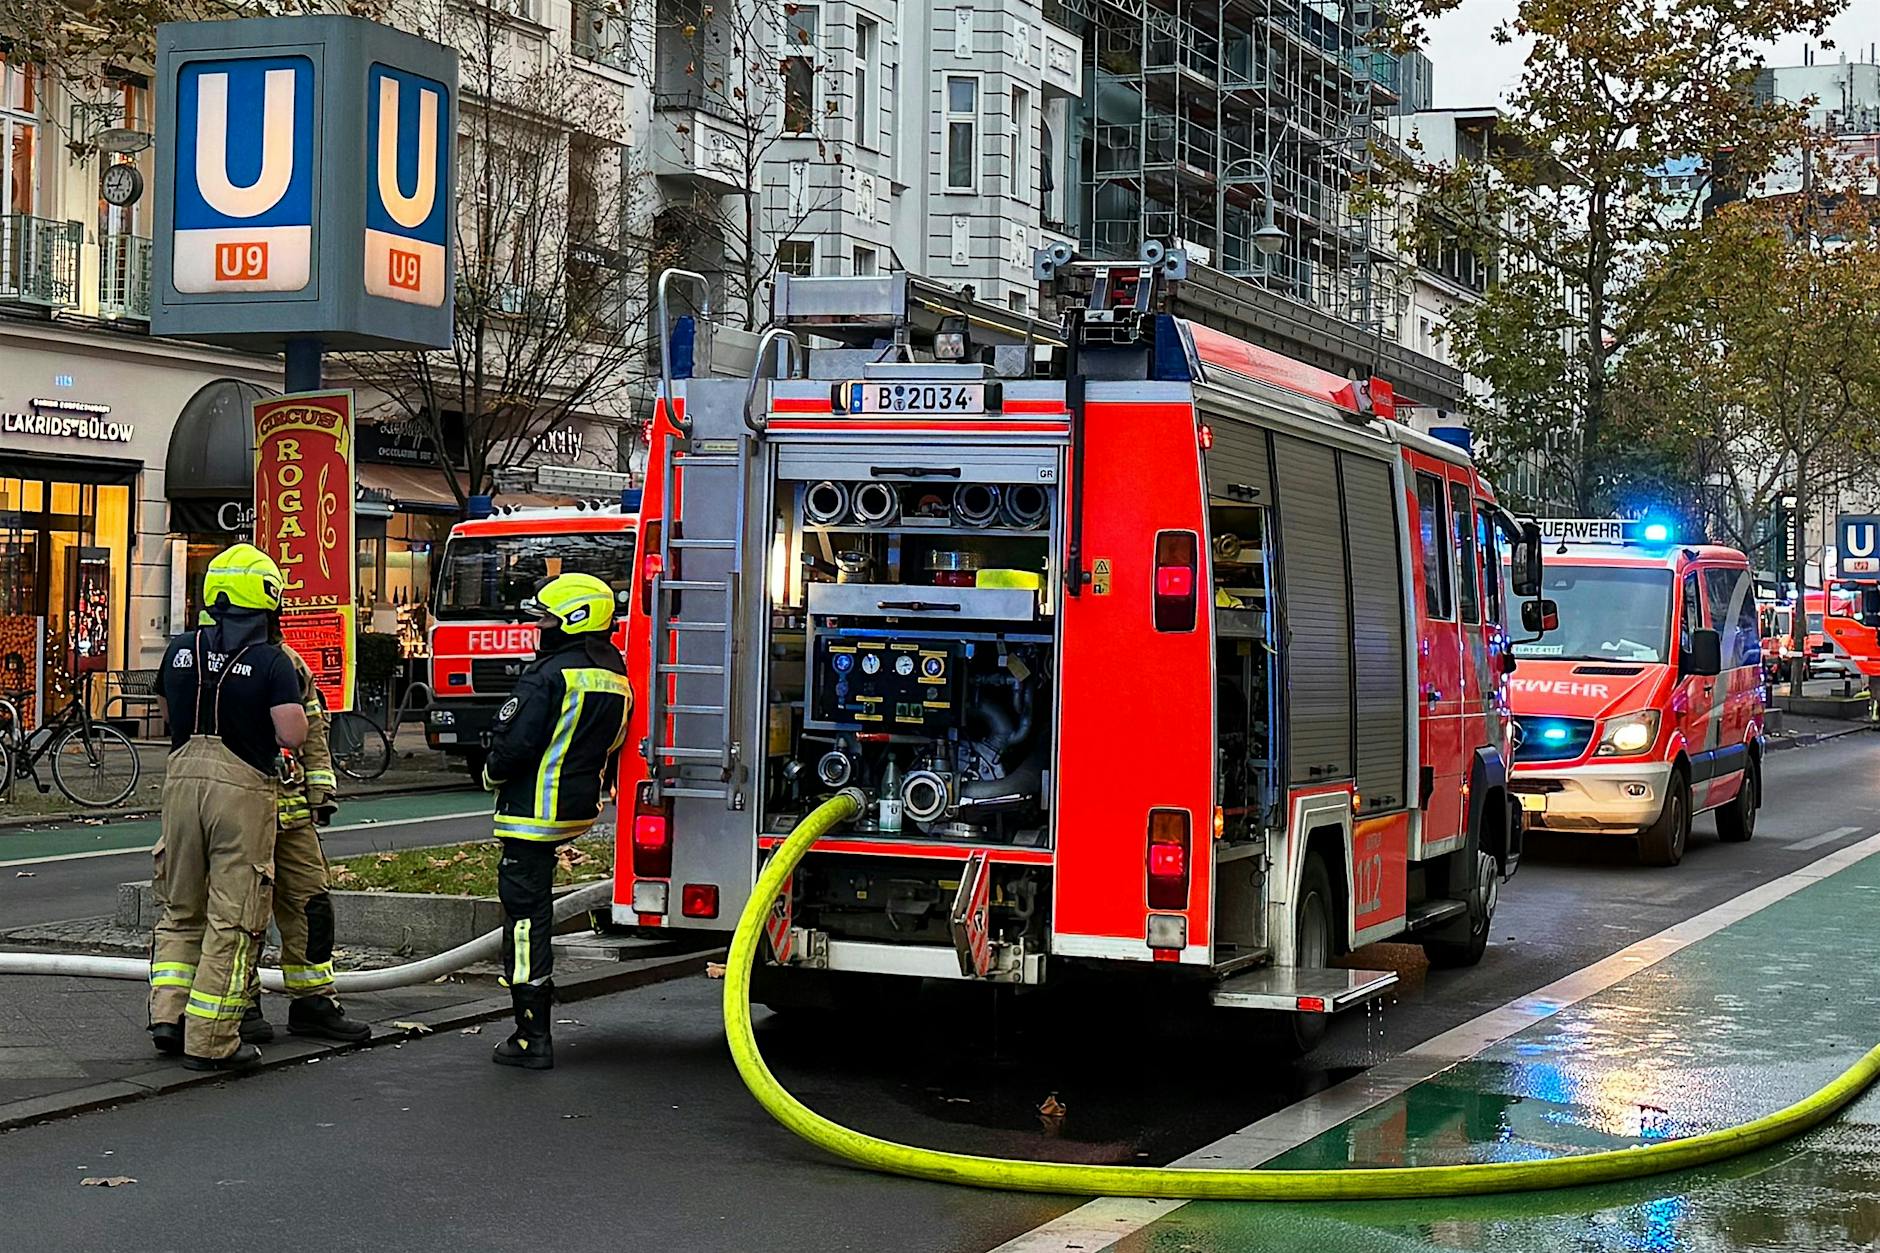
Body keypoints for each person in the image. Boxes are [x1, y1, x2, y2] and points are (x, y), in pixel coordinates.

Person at [149, 544, 307, 1071]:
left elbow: (168, 711)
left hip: (179, 784)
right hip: (241, 792)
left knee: (180, 907)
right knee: (232, 917)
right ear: (267, 599)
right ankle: (213, 1040)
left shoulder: (180, 647)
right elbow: (291, 732)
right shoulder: (272, 661)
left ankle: (168, 1018)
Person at [482, 572, 631, 1070]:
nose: (538, 627)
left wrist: (492, 770)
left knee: (525, 925)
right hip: (577, 808)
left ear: (572, 620)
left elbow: (514, 745)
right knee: (535, 917)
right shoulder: (616, 674)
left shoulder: (547, 676)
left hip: (531, 815)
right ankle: (532, 1025)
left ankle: (532, 1035)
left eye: (545, 618)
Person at [239, 637, 371, 1045]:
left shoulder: (288, 661)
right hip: (240, 811)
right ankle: (240, 1004)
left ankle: (313, 1002)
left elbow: (313, 728)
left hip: (292, 811)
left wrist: (320, 793)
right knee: (242, 913)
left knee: (312, 904)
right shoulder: (212, 657)